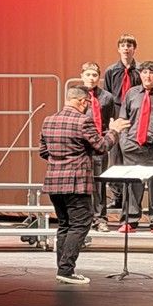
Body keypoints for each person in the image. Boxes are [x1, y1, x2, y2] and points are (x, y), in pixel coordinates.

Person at [40, 86, 129, 284]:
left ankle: (63, 269)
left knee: (65, 224)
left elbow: (43, 151)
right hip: (76, 182)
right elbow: (102, 146)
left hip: (54, 181)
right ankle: (66, 270)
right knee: (80, 224)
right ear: (82, 102)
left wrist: (61, 160)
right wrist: (113, 131)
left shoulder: (49, 120)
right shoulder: (83, 121)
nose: (87, 107)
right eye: (87, 103)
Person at [118, 60, 153, 234]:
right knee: (133, 185)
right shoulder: (131, 94)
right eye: (144, 72)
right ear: (140, 74)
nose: (147, 76)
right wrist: (124, 142)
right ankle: (130, 220)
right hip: (134, 146)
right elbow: (123, 120)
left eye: (151, 73)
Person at [102, 33, 141, 212]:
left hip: (133, 113)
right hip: (118, 112)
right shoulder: (111, 71)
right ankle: (117, 195)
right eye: (123, 45)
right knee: (115, 156)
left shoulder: (140, 70)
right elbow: (108, 96)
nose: (126, 48)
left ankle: (132, 199)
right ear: (118, 49)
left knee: (132, 155)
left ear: (134, 48)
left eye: (129, 45)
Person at [79, 61, 116, 232]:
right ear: (82, 76)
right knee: (81, 182)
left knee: (99, 182)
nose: (91, 78)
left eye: (94, 75)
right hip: (80, 145)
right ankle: (83, 217)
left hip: (99, 143)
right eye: (88, 74)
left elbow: (109, 121)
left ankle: (100, 217)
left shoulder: (107, 97)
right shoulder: (76, 95)